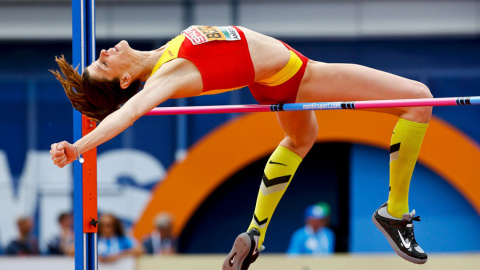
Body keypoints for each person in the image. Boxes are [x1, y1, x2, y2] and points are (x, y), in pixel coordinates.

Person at [49, 25, 432, 268]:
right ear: (125, 80)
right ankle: (394, 212)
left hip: (272, 78)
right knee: (419, 100)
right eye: (102, 67)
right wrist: (79, 147)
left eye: (96, 60)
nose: (101, 54)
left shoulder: (164, 55)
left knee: (301, 139)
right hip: (300, 75)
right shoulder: (166, 75)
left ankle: (254, 235)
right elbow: (127, 114)